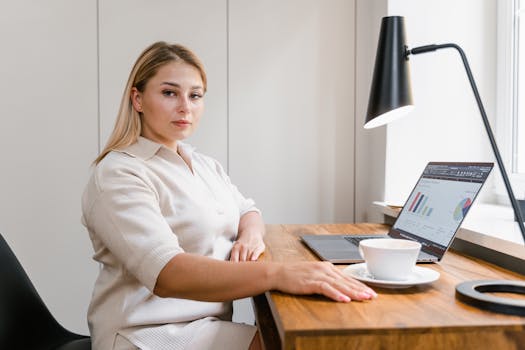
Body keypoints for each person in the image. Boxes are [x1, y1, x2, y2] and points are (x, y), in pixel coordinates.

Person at [81, 41, 377, 350]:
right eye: (170, 93)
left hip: (206, 323)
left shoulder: (203, 164)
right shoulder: (120, 172)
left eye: (195, 95)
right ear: (138, 99)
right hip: (147, 331)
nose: (185, 106)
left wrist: (250, 236)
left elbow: (248, 211)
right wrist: (277, 273)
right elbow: (166, 273)